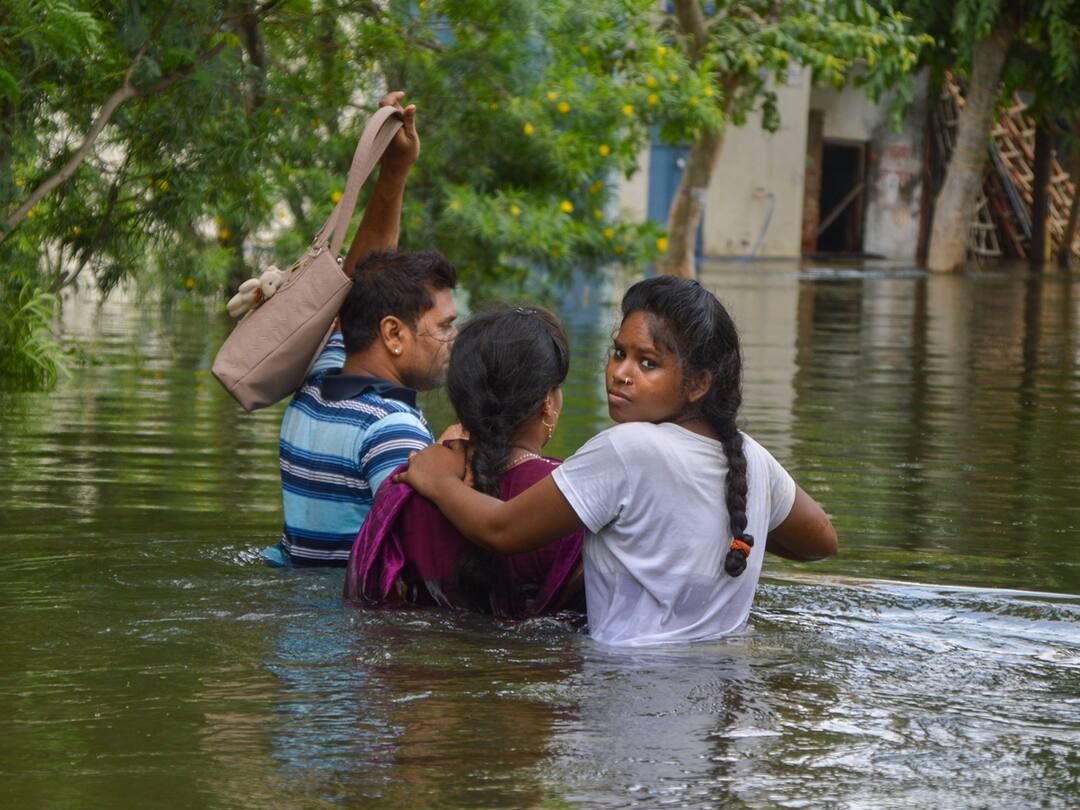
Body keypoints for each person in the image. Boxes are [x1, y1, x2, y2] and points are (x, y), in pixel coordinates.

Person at [396, 276, 838, 645]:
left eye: (648, 363)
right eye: (619, 352)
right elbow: (821, 542)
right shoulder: (751, 457)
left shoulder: (628, 448)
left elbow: (502, 529)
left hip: (625, 694)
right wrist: (741, 524)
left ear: (699, 383)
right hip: (720, 691)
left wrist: (439, 481)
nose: (621, 373)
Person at [267, 91, 461, 567]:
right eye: (444, 326)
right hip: (357, 635)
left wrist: (394, 170)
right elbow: (428, 558)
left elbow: (358, 286)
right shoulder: (391, 430)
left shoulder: (315, 389)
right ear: (393, 335)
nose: (454, 340)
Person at [344, 306, 585, 618]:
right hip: (533, 665)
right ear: (548, 404)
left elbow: (368, 603)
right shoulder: (570, 497)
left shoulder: (407, 486)